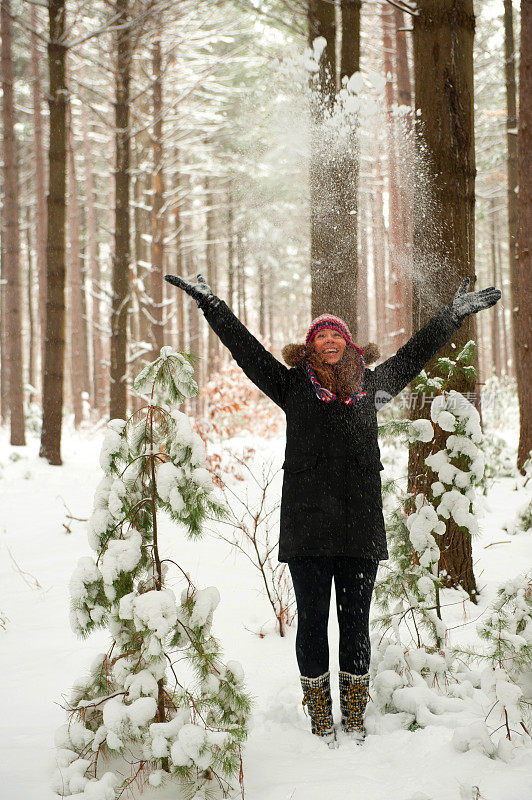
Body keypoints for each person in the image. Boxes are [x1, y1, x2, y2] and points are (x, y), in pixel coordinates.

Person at [164, 272, 501, 747]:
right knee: (313, 621)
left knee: (356, 624)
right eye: (320, 337)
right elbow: (249, 352)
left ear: (348, 344)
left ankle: (356, 714)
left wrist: (451, 316)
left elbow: (412, 357)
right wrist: (213, 307)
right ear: (310, 347)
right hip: (307, 529)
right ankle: (321, 715)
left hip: (360, 528)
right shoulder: (292, 388)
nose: (328, 343)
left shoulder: (373, 389)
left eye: (335, 336)